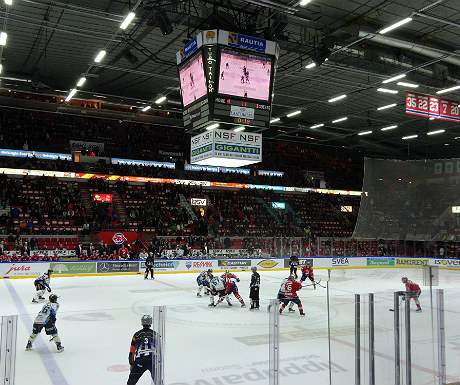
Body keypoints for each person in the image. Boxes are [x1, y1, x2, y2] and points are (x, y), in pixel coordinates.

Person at [127, 315, 159, 385]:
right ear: (150, 323)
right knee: (158, 382)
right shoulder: (155, 334)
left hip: (140, 360)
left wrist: (131, 363)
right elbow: (160, 349)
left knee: (130, 383)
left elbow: (132, 351)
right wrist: (159, 362)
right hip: (152, 360)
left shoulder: (137, 335)